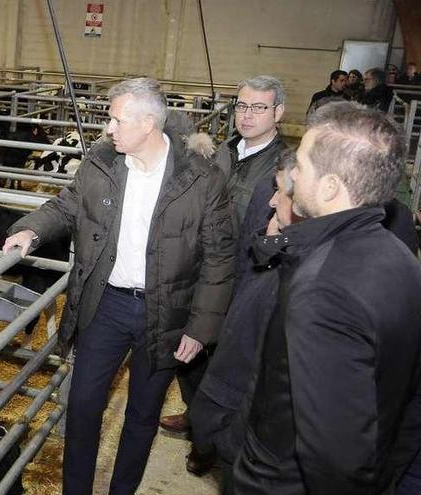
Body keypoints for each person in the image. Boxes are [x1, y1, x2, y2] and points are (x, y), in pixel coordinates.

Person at [2, 77, 235, 495]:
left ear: (148, 123)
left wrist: (201, 328)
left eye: (115, 119)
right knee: (84, 404)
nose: (108, 128)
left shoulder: (201, 180)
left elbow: (219, 258)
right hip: (105, 303)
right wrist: (31, 232)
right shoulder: (102, 162)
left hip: (165, 310)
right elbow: (67, 204)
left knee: (143, 414)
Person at [233, 101, 421, 494]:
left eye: (300, 166)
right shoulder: (399, 257)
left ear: (331, 186)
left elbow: (334, 458)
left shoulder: (324, 288)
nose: (291, 177)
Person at [159, 75, 288, 475]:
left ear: (278, 113)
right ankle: (198, 415)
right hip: (199, 270)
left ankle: (213, 436)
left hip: (246, 276)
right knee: (188, 350)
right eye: (242, 106)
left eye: (258, 107)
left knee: (229, 361)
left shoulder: (284, 166)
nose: (247, 115)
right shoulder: (220, 153)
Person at [190, 149, 299, 495]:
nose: (271, 199)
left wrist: (225, 433)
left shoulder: (301, 279)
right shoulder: (278, 251)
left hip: (260, 445)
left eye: (281, 191)